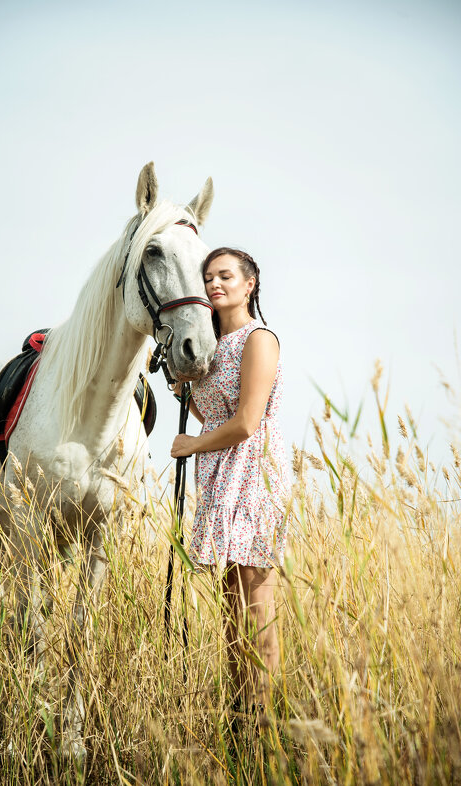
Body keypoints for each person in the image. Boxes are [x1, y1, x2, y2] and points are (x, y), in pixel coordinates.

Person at [171, 247, 290, 712]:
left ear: (248, 284)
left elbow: (245, 422)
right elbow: (214, 412)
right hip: (221, 472)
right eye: (207, 278)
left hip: (254, 470)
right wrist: (182, 390)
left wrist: (190, 445)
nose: (214, 284)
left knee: (256, 605)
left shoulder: (259, 339)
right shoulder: (210, 346)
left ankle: (266, 731)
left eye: (225, 276)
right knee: (231, 609)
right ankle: (241, 719)